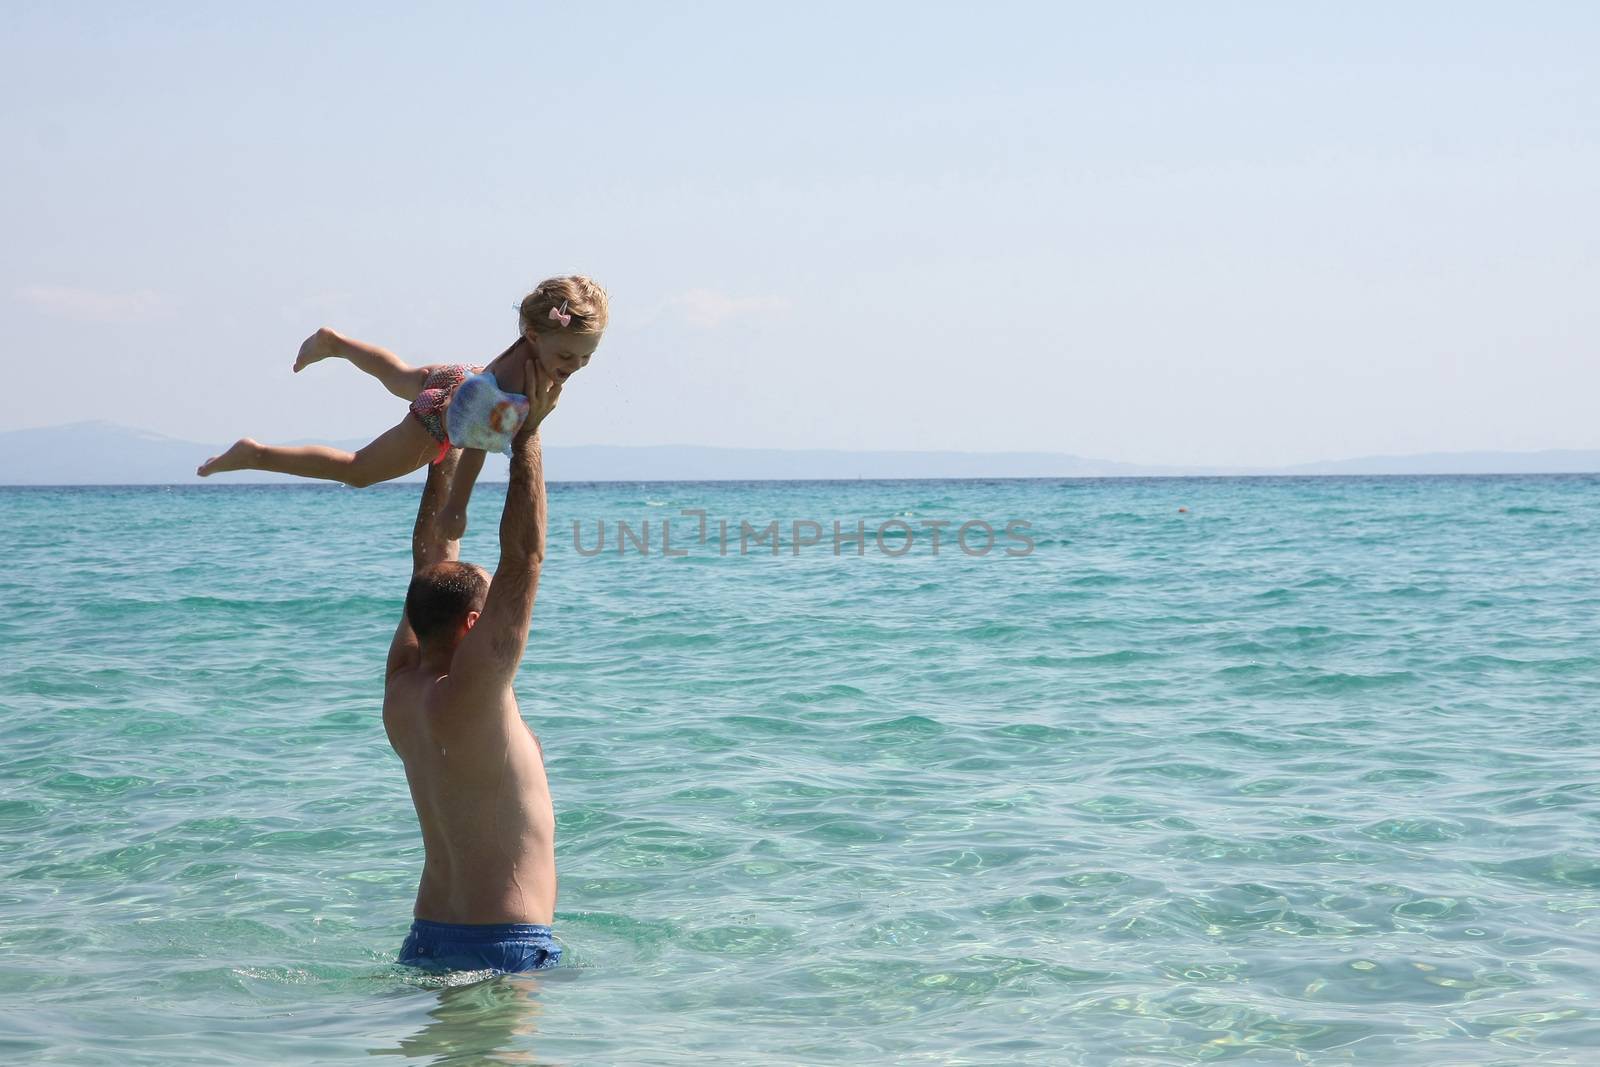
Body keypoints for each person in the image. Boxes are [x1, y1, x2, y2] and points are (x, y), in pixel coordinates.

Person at [384, 348, 565, 974]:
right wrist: (526, 436)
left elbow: (430, 556)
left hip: (426, 939)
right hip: (504, 946)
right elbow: (524, 561)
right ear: (471, 625)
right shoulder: (477, 689)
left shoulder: (403, 688)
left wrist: (449, 441)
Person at [197, 275, 607, 538]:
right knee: (356, 470)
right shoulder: (519, 385)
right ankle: (256, 454)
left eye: (586, 358)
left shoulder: (531, 347)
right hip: (441, 420)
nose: (575, 367)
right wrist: (456, 509)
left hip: (457, 375)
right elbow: (476, 447)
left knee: (397, 374)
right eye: (569, 357)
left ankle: (336, 343)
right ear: (535, 336)